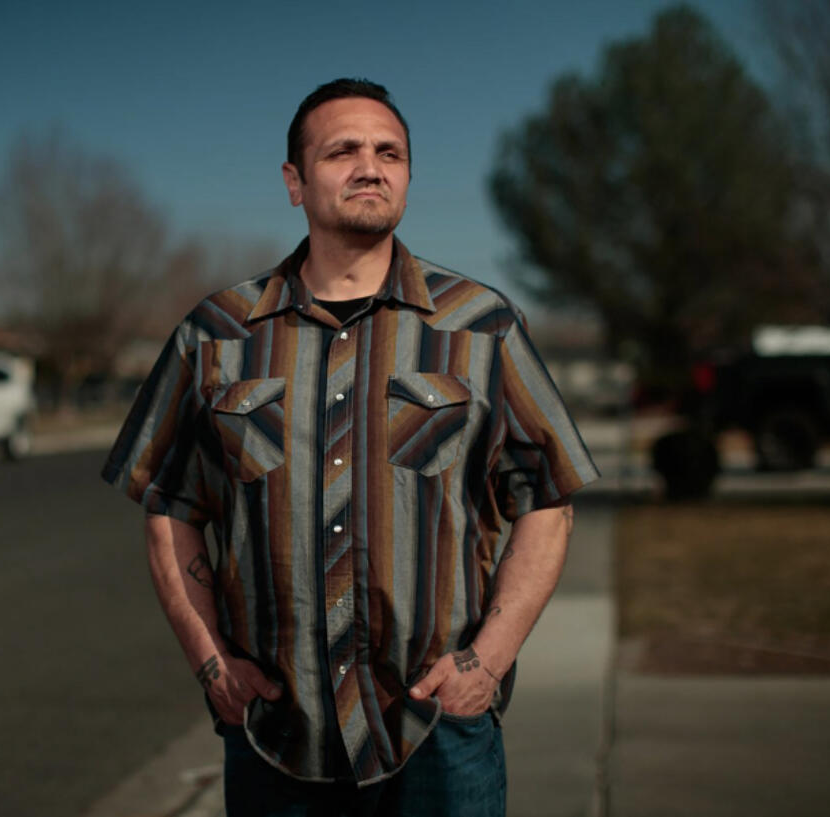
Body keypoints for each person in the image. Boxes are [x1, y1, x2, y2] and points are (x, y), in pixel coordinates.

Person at [102, 77, 599, 817]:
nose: (371, 166)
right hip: (278, 736)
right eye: (343, 151)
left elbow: (546, 503)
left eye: (388, 151)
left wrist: (485, 664)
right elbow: (170, 508)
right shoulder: (216, 335)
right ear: (294, 182)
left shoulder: (481, 327)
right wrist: (212, 667)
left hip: (438, 733)